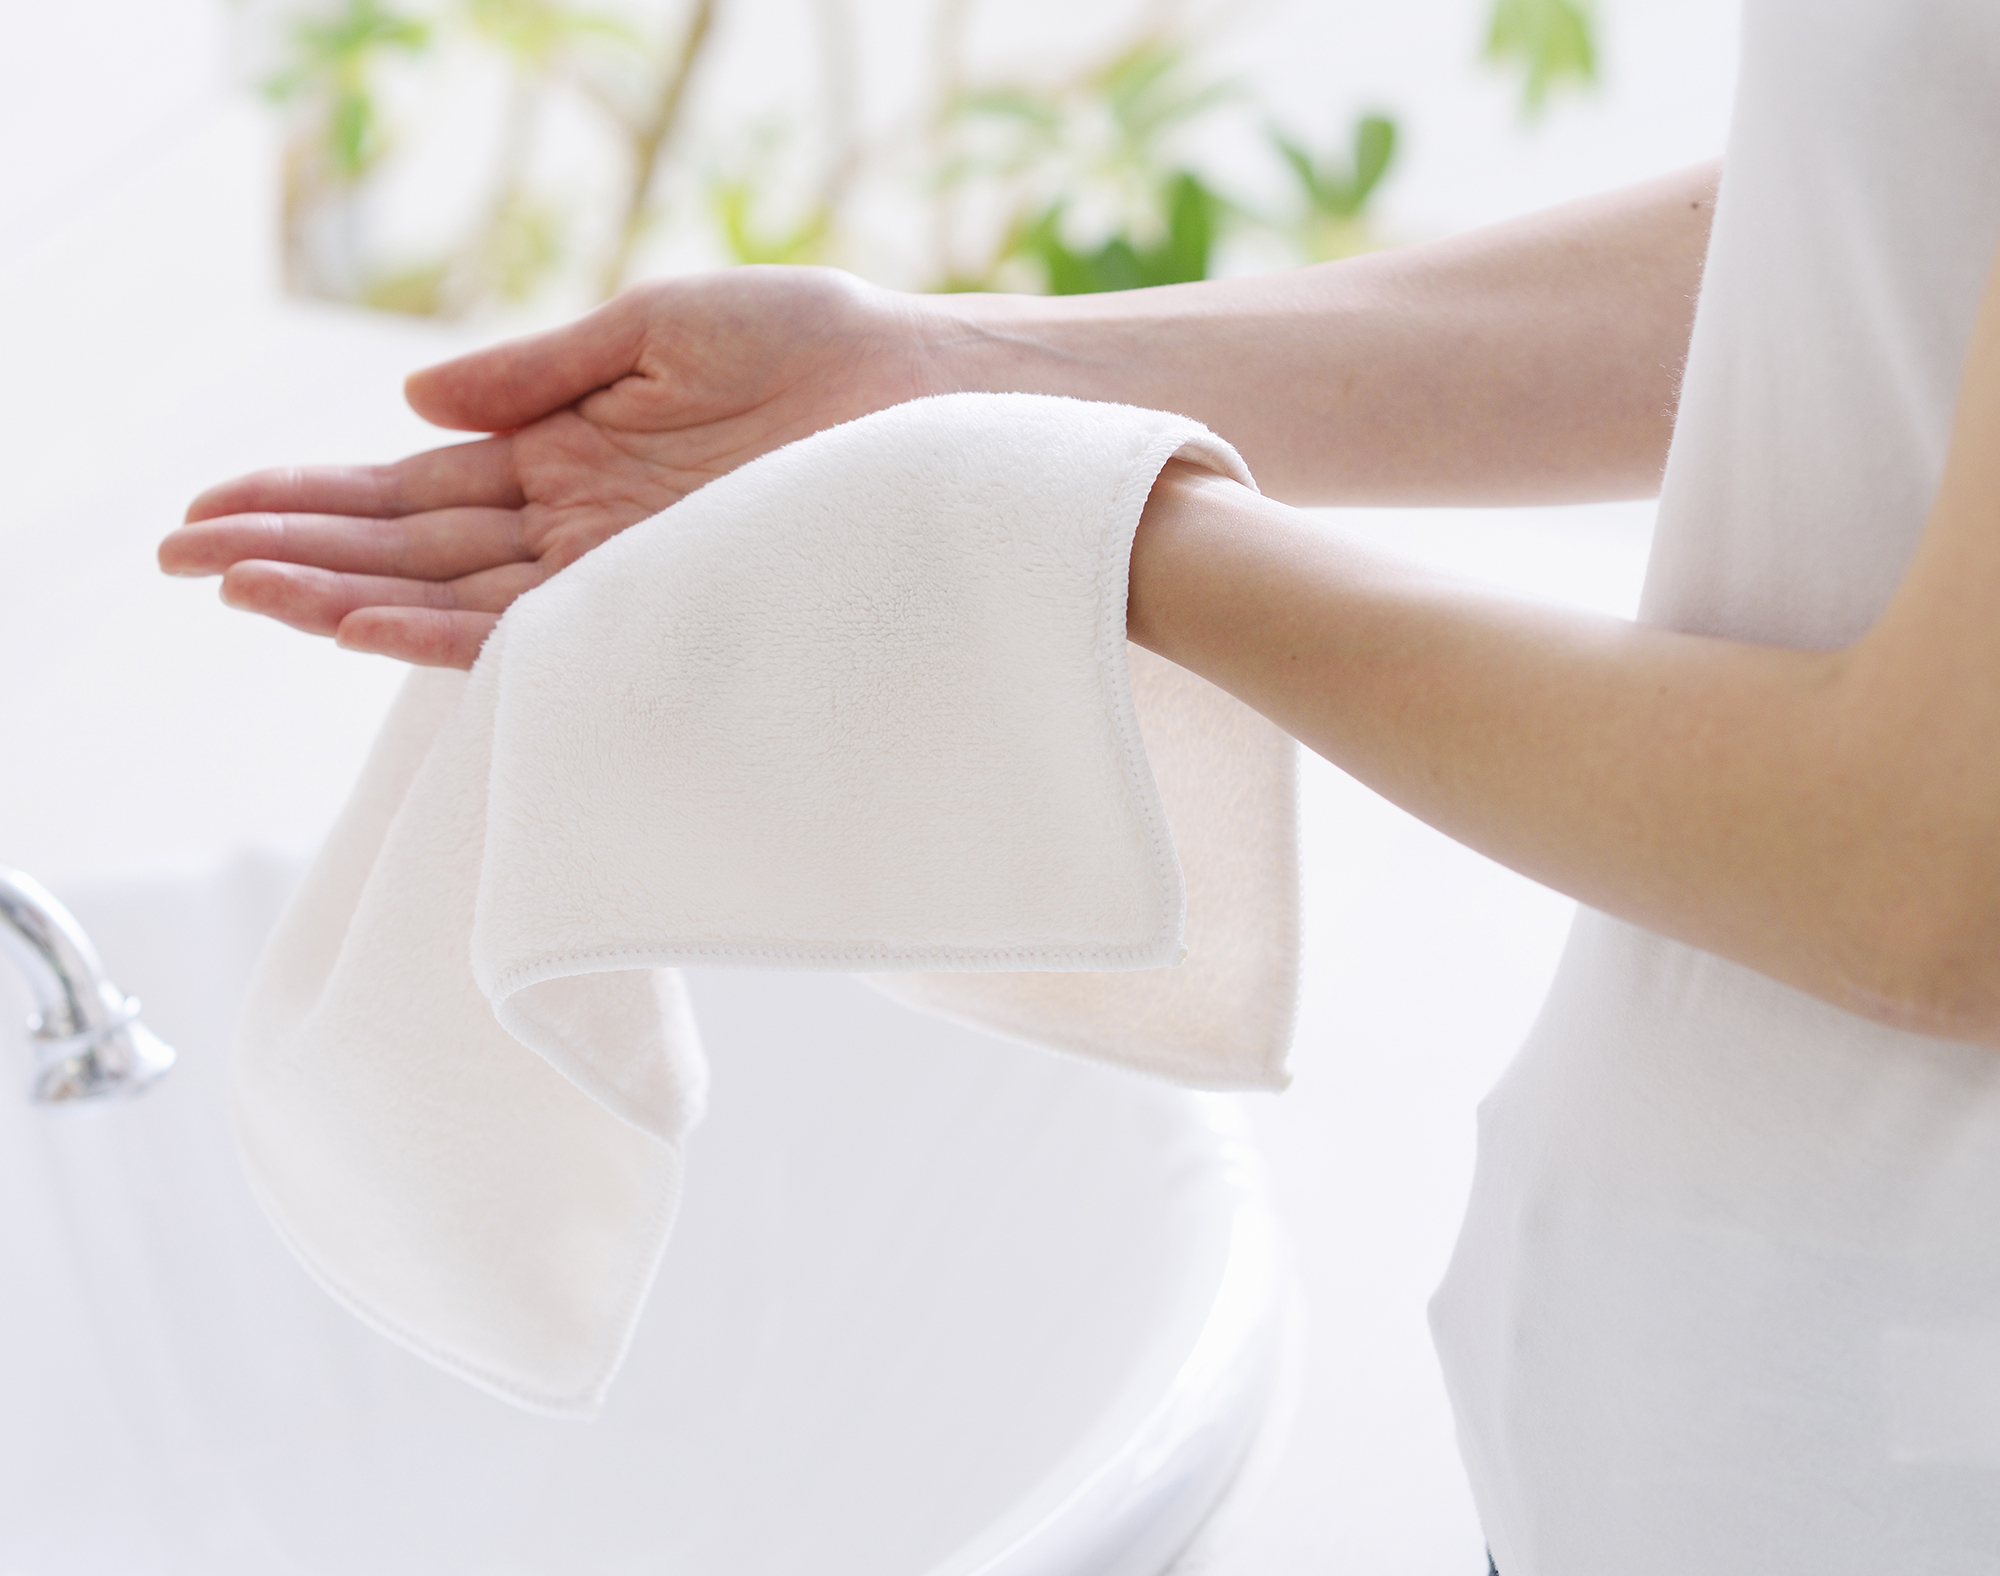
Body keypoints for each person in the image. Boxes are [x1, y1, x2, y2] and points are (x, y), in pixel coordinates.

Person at [160, 0, 2000, 1566]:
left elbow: (1928, 873)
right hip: (1712, 1392)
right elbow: (1894, 217)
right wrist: (975, 373)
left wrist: (1069, 526)